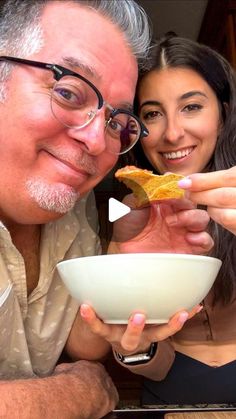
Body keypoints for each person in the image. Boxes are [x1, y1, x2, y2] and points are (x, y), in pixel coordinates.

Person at [0, 2, 214, 417]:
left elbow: (84, 340)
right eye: (67, 92)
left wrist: (121, 264)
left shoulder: (73, 205)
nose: (99, 142)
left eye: (117, 121)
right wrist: (76, 394)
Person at [124, 35, 236, 405]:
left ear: (223, 112)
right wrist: (137, 348)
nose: (172, 133)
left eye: (191, 107)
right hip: (170, 389)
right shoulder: (127, 214)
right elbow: (154, 362)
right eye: (152, 114)